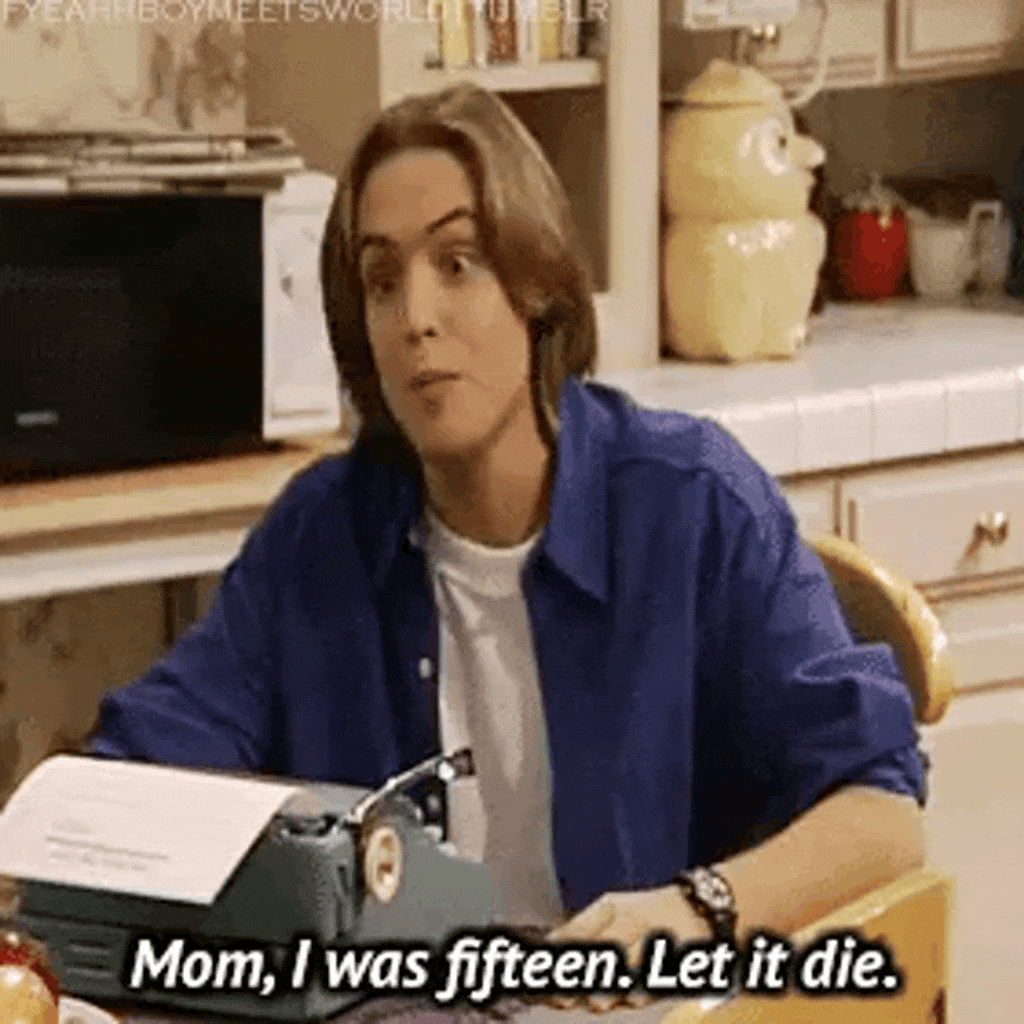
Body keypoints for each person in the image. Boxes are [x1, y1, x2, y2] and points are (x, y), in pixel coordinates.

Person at [91, 83, 925, 995]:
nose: (415, 317)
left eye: (458, 263)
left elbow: (883, 817)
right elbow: (143, 760)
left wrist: (695, 912)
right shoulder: (319, 536)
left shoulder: (693, 503)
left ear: (537, 288)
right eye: (382, 281)